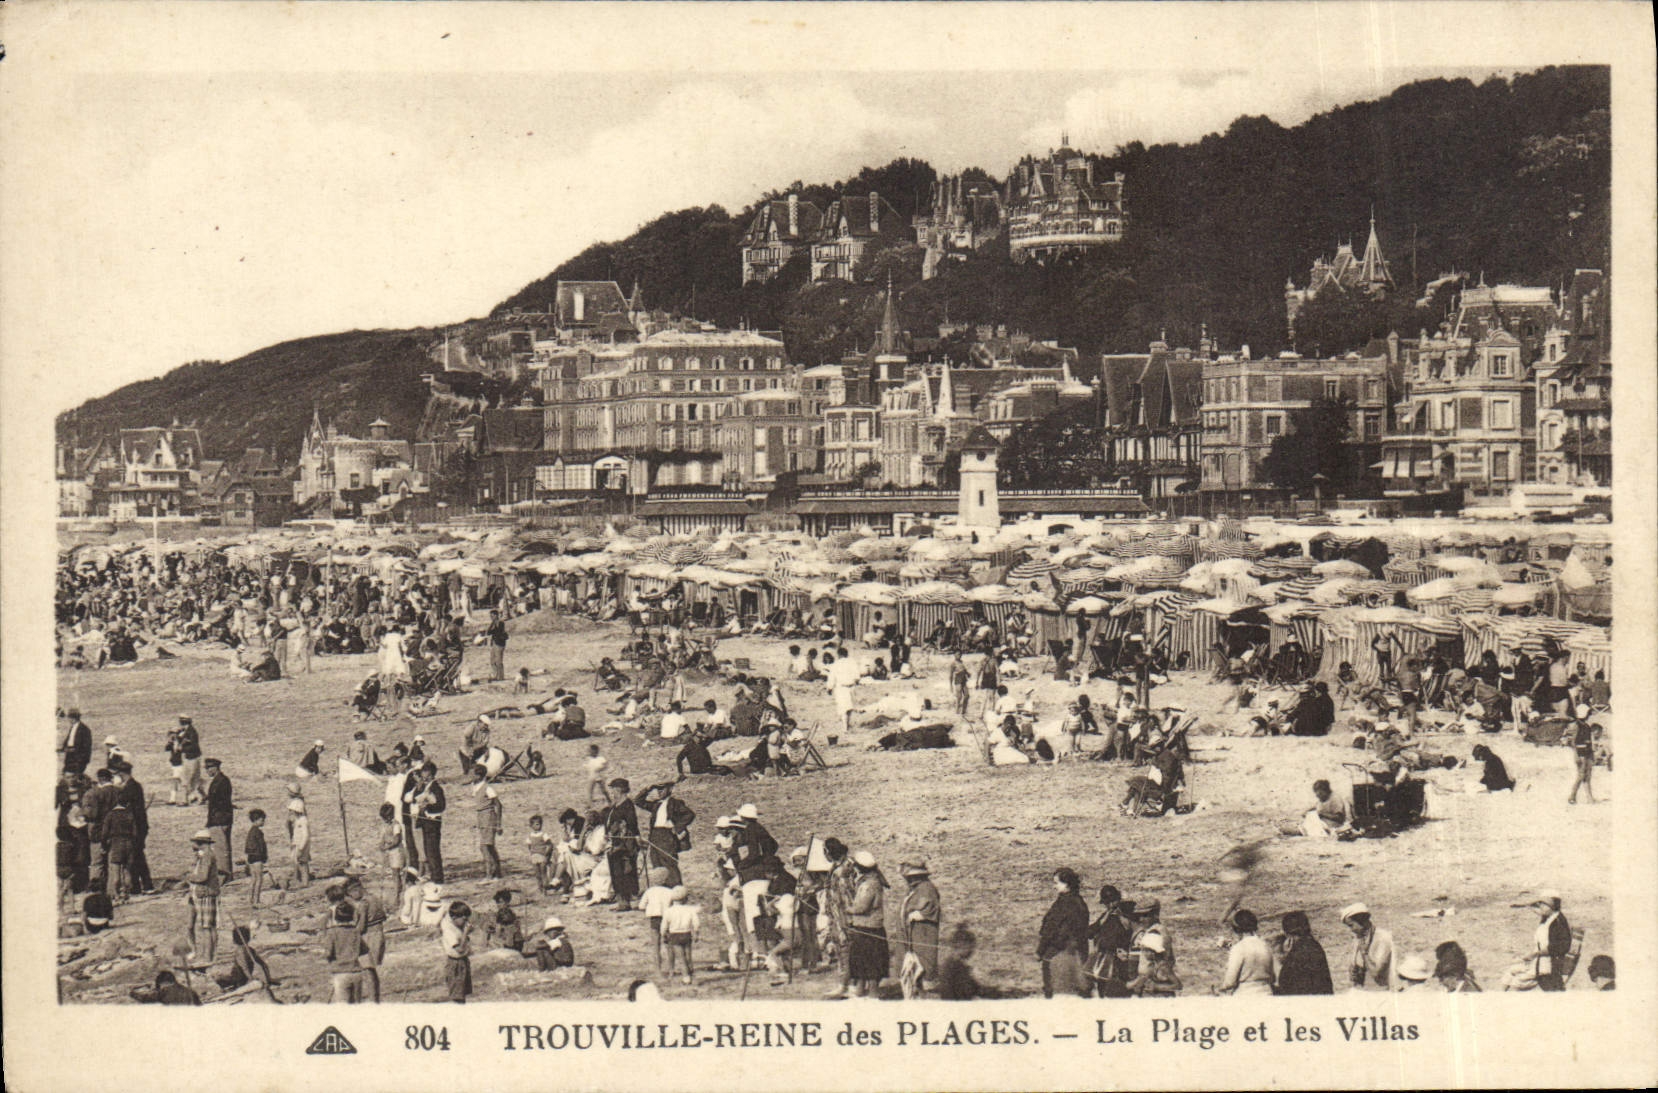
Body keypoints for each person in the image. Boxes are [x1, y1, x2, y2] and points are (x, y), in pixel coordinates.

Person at [1037, 868, 1090, 998]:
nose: (1054, 886)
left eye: (1057, 883)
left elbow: (1053, 928)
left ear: (1067, 884)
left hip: (1060, 951)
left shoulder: (1065, 903)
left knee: (1056, 990)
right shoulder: (1078, 902)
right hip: (1077, 951)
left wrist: (1041, 949)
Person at [1507, 889, 1572, 991]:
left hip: (1547, 968)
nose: (1540, 907)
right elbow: (1537, 909)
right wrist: (1529, 905)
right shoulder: (1549, 918)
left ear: (1552, 905)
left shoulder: (1558, 922)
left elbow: (1561, 947)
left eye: (1543, 904)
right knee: (1509, 975)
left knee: (1514, 983)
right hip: (1539, 963)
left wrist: (1534, 954)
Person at [636, 781, 695, 887]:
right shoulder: (656, 804)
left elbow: (689, 814)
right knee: (656, 861)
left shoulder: (675, 803)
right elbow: (638, 801)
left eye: (662, 789)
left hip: (667, 835)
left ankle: (676, 887)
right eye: (657, 790)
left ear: (670, 789)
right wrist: (648, 788)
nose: (659, 792)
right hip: (654, 835)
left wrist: (676, 827)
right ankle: (662, 887)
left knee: (669, 861)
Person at [847, 851, 889, 997]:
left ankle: (872, 993)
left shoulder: (869, 885)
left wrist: (847, 908)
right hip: (867, 928)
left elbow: (862, 907)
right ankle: (860, 990)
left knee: (870, 964)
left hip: (868, 929)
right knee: (862, 962)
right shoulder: (872, 881)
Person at [898, 861, 942, 993]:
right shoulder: (914, 889)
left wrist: (920, 914)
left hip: (923, 932)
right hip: (912, 932)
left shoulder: (927, 888)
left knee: (924, 961)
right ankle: (915, 990)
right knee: (912, 963)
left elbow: (931, 907)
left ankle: (926, 990)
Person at [345, 876, 388, 1002]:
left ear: (355, 890)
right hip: (379, 933)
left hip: (368, 937)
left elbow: (362, 927)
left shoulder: (363, 903)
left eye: (350, 894)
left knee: (368, 971)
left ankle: (373, 999)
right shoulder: (374, 898)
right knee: (372, 971)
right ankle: (375, 999)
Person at [1273, 911, 1333, 995]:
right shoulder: (1314, 945)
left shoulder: (1298, 953)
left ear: (1288, 934)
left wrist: (1286, 958)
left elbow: (1286, 985)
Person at [604, 778, 641, 911]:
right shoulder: (616, 805)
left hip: (624, 844)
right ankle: (622, 899)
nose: (612, 791)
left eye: (613, 788)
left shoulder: (627, 805)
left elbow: (632, 824)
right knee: (616, 871)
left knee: (625, 870)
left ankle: (627, 900)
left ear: (619, 789)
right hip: (614, 842)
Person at [1218, 909, 1275, 995]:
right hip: (1267, 993)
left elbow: (1230, 982)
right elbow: (1273, 977)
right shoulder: (1265, 946)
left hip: (1245, 994)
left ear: (1237, 929)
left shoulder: (1238, 948)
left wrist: (1221, 988)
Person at [936, 924, 1001, 1000]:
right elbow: (971, 991)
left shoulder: (953, 964)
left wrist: (994, 990)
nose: (972, 951)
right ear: (963, 946)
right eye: (971, 947)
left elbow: (975, 988)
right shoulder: (956, 968)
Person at [1340, 903, 1396, 990]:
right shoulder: (1358, 937)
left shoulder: (1383, 938)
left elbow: (1376, 972)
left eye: (1351, 925)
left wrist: (1364, 953)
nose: (1351, 930)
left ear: (1362, 921)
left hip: (1381, 991)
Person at [186, 830, 221, 966]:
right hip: (199, 893)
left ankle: (208, 957)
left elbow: (203, 877)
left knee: (207, 927)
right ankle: (207, 955)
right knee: (206, 926)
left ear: (200, 843)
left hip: (205, 893)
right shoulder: (202, 856)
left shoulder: (207, 856)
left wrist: (188, 878)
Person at [322, 900, 364, 1003]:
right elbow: (363, 950)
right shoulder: (355, 932)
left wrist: (328, 958)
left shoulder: (333, 933)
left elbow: (328, 953)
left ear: (336, 917)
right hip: (356, 972)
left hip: (340, 973)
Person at [413, 763, 447, 884]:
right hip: (425, 822)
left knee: (433, 851)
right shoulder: (425, 787)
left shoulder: (436, 788)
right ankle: (434, 875)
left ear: (431, 774)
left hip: (432, 822)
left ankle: (437, 878)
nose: (423, 775)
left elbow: (441, 806)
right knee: (428, 850)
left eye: (425, 773)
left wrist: (428, 806)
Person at [203, 758, 234, 883]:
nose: (207, 771)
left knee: (221, 849)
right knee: (225, 847)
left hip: (218, 819)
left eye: (209, 768)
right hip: (224, 818)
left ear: (215, 768)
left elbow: (217, 800)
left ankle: (224, 876)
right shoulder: (223, 780)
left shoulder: (220, 781)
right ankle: (228, 874)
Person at [661, 886, 699, 985]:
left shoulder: (668, 911)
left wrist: (663, 934)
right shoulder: (690, 909)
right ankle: (691, 973)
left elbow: (664, 925)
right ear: (685, 898)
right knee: (688, 955)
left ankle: (686, 978)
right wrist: (695, 932)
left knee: (681, 957)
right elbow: (696, 922)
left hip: (675, 935)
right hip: (686, 933)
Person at [471, 769, 504, 879]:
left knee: (484, 846)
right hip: (481, 816)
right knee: (489, 846)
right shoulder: (475, 787)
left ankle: (489, 874)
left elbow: (498, 805)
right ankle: (497, 872)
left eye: (474, 773)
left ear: (480, 775)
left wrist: (499, 824)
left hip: (489, 816)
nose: (471, 775)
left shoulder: (488, 788)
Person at [442, 901, 474, 1003]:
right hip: (455, 964)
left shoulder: (457, 927)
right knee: (457, 994)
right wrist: (465, 933)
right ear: (454, 917)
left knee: (463, 993)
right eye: (464, 919)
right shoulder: (449, 931)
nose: (466, 922)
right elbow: (459, 949)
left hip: (463, 962)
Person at [1567, 707, 1598, 805]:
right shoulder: (1576, 725)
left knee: (1587, 776)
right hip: (1580, 753)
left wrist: (1592, 754)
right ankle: (1572, 795)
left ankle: (1590, 798)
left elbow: (1589, 741)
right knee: (1581, 775)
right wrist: (1576, 755)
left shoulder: (1586, 726)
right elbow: (1573, 742)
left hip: (1587, 752)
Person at [176, 716, 204, 805]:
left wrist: (182, 748)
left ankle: (185, 800)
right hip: (193, 757)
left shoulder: (191, 732)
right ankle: (199, 796)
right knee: (194, 778)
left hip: (191, 757)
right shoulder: (188, 731)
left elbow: (193, 746)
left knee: (186, 778)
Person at [245, 809, 269, 908]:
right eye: (262, 820)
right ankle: (256, 900)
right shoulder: (257, 832)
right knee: (259, 879)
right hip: (257, 857)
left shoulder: (251, 831)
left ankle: (250, 899)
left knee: (253, 879)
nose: (263, 822)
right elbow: (261, 846)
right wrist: (264, 856)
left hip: (251, 857)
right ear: (257, 820)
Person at [61, 708, 93, 777]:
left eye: (69, 717)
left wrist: (82, 759)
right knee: (67, 774)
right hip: (70, 755)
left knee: (75, 776)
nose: (68, 720)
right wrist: (64, 748)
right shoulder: (73, 727)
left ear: (73, 718)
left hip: (78, 758)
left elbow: (87, 747)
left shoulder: (84, 729)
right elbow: (68, 740)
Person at [485, 609, 509, 682]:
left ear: (496, 615)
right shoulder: (494, 623)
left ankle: (500, 676)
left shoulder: (501, 623)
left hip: (499, 643)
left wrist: (493, 625)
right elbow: (488, 632)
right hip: (495, 643)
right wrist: (492, 623)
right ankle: (495, 675)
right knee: (492, 660)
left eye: (492, 616)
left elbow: (496, 631)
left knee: (498, 660)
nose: (491, 617)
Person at [949, 653, 971, 718]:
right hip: (958, 679)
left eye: (960, 654)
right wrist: (950, 685)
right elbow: (951, 675)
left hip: (964, 678)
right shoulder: (953, 664)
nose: (959, 656)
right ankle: (957, 711)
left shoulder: (961, 662)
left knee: (967, 695)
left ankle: (964, 710)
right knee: (959, 696)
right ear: (954, 655)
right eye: (957, 654)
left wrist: (968, 673)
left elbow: (964, 670)